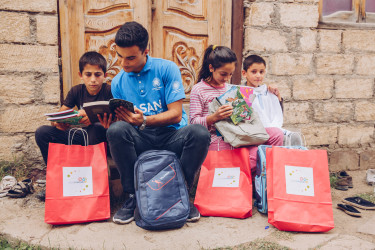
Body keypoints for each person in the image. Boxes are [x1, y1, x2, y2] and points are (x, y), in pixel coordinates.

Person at [107, 21, 210, 224]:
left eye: (130, 58)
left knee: (199, 133)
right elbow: (124, 125)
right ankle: (133, 197)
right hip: (141, 137)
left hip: (171, 135)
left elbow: (176, 114)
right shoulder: (118, 81)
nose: (123, 63)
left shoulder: (167, 69)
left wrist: (144, 119)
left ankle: (181, 194)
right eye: (119, 56)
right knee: (116, 130)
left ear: (146, 51)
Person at [189, 45, 283, 177]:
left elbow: (253, 90)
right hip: (218, 139)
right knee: (257, 155)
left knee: (277, 134)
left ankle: (267, 177)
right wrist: (214, 117)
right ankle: (254, 177)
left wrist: (269, 90)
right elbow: (193, 124)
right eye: (223, 74)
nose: (227, 78)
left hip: (239, 132)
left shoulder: (229, 87)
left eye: (231, 74)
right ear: (211, 68)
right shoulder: (199, 90)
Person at [35, 51, 113, 165]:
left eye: (97, 74)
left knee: (95, 128)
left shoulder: (109, 91)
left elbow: (118, 120)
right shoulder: (76, 91)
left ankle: (96, 173)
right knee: (42, 132)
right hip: (83, 136)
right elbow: (60, 115)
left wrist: (93, 118)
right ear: (80, 75)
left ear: (105, 76)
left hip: (103, 138)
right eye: (88, 74)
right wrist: (58, 123)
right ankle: (55, 172)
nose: (93, 79)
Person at [242, 54, 284, 130]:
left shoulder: (267, 91)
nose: (258, 75)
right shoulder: (242, 93)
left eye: (261, 72)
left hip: (272, 131)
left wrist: (277, 96)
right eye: (254, 72)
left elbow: (277, 114)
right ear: (244, 73)